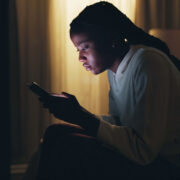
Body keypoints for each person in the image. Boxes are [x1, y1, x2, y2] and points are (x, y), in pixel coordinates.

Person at [36, 1, 180, 179]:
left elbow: (144, 151)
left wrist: (83, 117)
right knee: (56, 132)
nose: (81, 57)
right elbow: (120, 123)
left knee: (68, 144)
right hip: (141, 155)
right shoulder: (115, 71)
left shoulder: (147, 63)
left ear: (110, 39)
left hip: (164, 164)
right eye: (78, 50)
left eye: (85, 47)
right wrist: (78, 114)